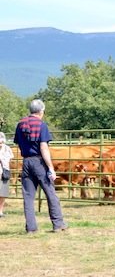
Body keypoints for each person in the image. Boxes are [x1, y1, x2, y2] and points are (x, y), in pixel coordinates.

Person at [13, 99, 67, 234]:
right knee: (50, 193)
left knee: (28, 196)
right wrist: (50, 167)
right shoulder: (41, 125)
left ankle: (31, 228)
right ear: (41, 111)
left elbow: (18, 143)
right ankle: (58, 224)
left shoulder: (20, 125)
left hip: (26, 161)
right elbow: (44, 147)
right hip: (39, 161)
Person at [0, 132, 13, 218]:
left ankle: (0, 211)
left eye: (1, 141)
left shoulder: (7, 148)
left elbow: (11, 157)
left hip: (4, 171)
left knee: (3, 193)